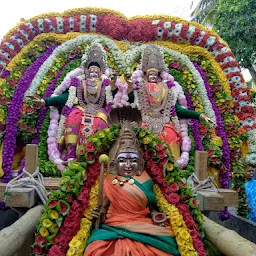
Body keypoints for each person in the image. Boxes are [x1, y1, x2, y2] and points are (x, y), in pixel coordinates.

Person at [84, 121, 180, 256]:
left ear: (140, 164)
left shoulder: (146, 180)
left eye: (133, 161)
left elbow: (151, 205)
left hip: (142, 225)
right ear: (114, 164)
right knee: (96, 249)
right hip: (113, 227)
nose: (128, 165)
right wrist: (98, 214)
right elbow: (103, 207)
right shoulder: (108, 181)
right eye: (123, 160)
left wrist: (155, 215)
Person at [132, 45, 215, 163]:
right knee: (141, 137)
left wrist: (200, 116)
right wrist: (127, 86)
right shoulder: (140, 87)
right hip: (145, 121)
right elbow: (130, 99)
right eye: (150, 75)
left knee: (170, 135)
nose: (153, 77)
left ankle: (173, 169)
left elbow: (178, 110)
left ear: (159, 76)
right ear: (146, 75)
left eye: (155, 75)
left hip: (165, 122)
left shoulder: (167, 89)